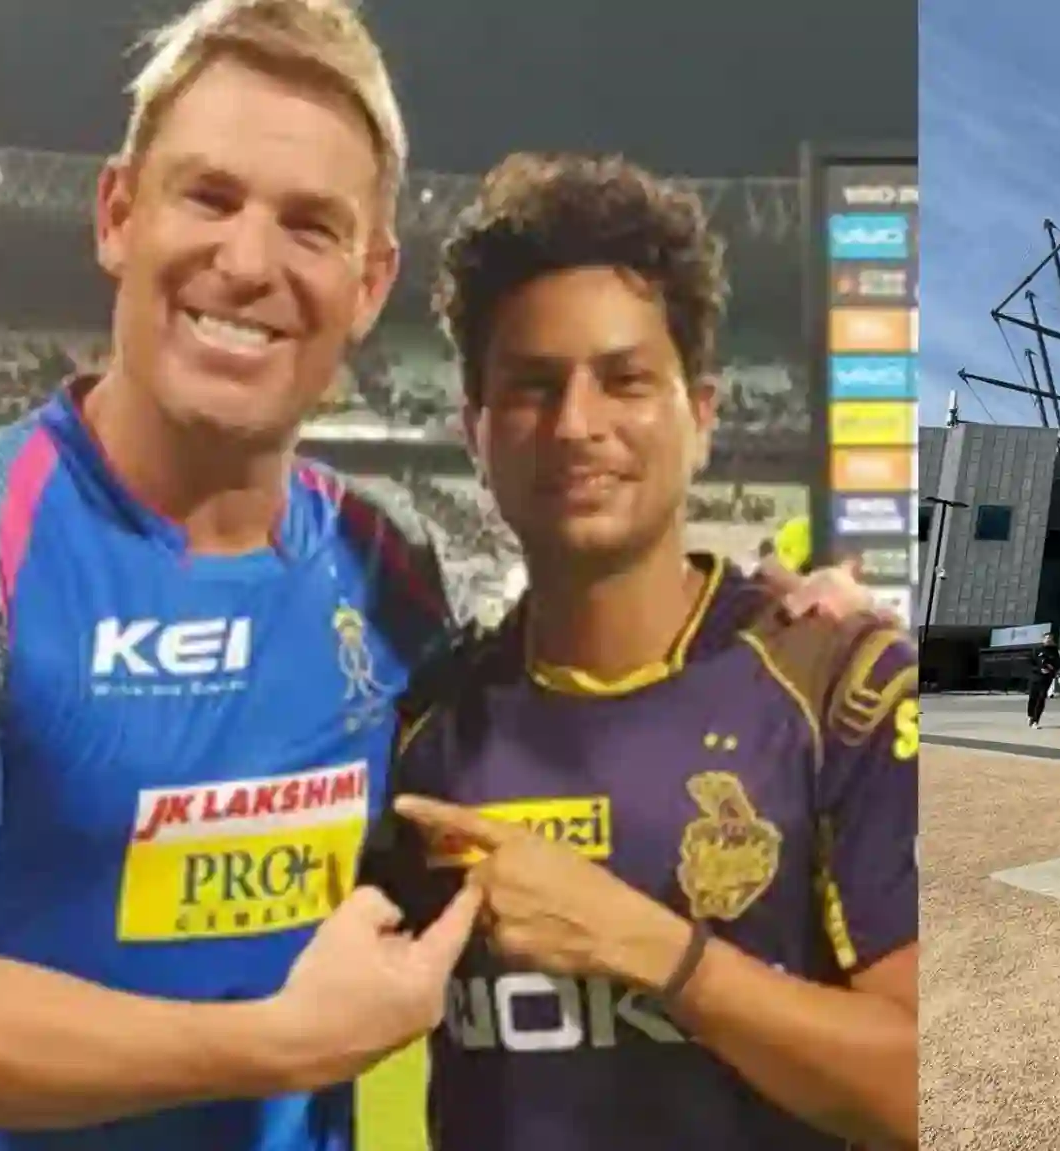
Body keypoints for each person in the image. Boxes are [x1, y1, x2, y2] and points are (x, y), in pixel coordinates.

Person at [0, 1, 878, 1144]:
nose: (247, 262)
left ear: (370, 277)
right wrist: (273, 1044)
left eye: (309, 223)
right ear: (117, 212)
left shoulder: (388, 571)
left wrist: (781, 606)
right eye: (209, 196)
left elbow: (585, 673)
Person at [356, 153, 918, 1150]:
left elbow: (923, 1087)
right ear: (474, 431)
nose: (577, 425)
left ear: (700, 414)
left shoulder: (841, 686)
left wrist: (650, 948)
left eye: (624, 379)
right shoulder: (421, 721)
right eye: (532, 387)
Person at [1027, 633, 1059, 728]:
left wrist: (1051, 669)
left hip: (1046, 679)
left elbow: (1058, 664)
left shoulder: (1054, 651)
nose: (1049, 640)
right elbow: (1030, 663)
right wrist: (1039, 669)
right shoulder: (1037, 650)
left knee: (1041, 698)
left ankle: (1036, 721)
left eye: (1050, 639)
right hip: (1035, 678)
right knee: (1032, 698)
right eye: (1047, 638)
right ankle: (1030, 715)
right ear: (1043, 640)